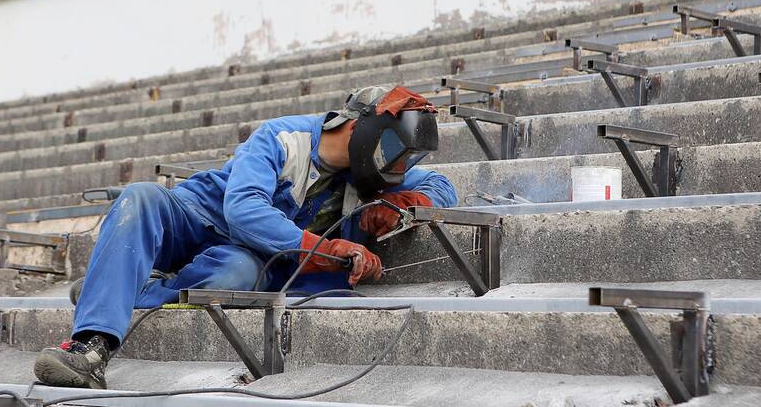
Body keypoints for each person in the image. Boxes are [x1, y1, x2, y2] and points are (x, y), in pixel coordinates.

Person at [33, 85, 457, 389]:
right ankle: (91, 348)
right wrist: (322, 249)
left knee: (236, 275)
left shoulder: (372, 175)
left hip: (245, 256)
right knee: (140, 197)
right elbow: (243, 210)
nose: (399, 165)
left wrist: (404, 202)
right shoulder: (282, 136)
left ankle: (120, 286)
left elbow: (443, 186)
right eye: (395, 152)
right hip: (197, 219)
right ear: (361, 130)